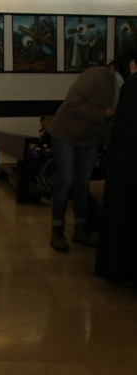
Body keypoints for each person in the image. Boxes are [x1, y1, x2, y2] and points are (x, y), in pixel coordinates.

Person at [47, 60, 122, 252]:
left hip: (90, 139)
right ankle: (57, 230)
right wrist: (102, 113)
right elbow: (72, 102)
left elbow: (110, 122)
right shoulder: (96, 75)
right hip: (66, 134)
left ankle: (80, 228)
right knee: (65, 181)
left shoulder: (122, 86)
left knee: (83, 183)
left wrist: (111, 145)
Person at [95, 47, 137, 285]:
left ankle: (123, 270)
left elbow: (122, 128)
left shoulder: (131, 86)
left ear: (132, 65)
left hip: (128, 159)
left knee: (125, 213)